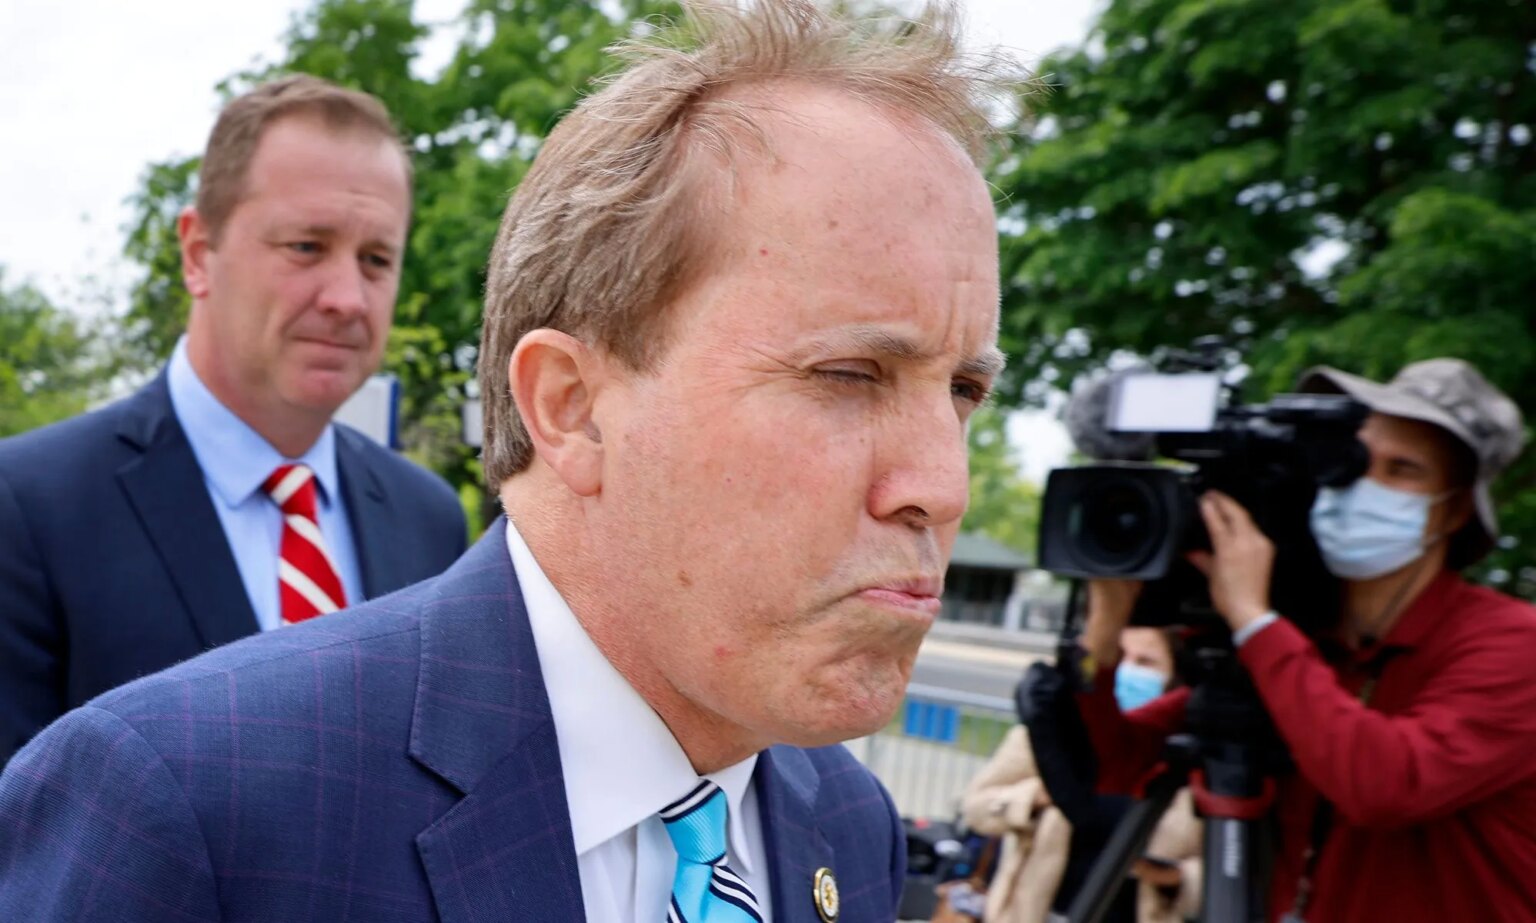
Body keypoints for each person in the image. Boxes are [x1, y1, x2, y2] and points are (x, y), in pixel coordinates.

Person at [0, 2, 1022, 920]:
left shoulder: (850, 822)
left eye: (963, 392)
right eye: (849, 374)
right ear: (571, 408)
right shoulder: (179, 809)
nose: (943, 485)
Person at [0, 75, 467, 767]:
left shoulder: (428, 518)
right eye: (306, 246)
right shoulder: (30, 508)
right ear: (198, 254)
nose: (347, 297)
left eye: (376, 259)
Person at [1074, 358, 1536, 921]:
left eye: (1403, 470)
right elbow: (1113, 763)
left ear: (1456, 509)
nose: (1365, 485)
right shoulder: (1311, 644)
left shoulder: (1513, 643)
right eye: (1353, 463)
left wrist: (1254, 620)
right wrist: (1104, 630)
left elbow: (1386, 785)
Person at [963, 627, 1201, 923]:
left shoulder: (1194, 757)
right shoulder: (1050, 737)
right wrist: (1036, 796)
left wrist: (1176, 877)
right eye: (1120, 657)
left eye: (1145, 662)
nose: (1126, 670)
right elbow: (976, 807)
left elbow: (1231, 868)